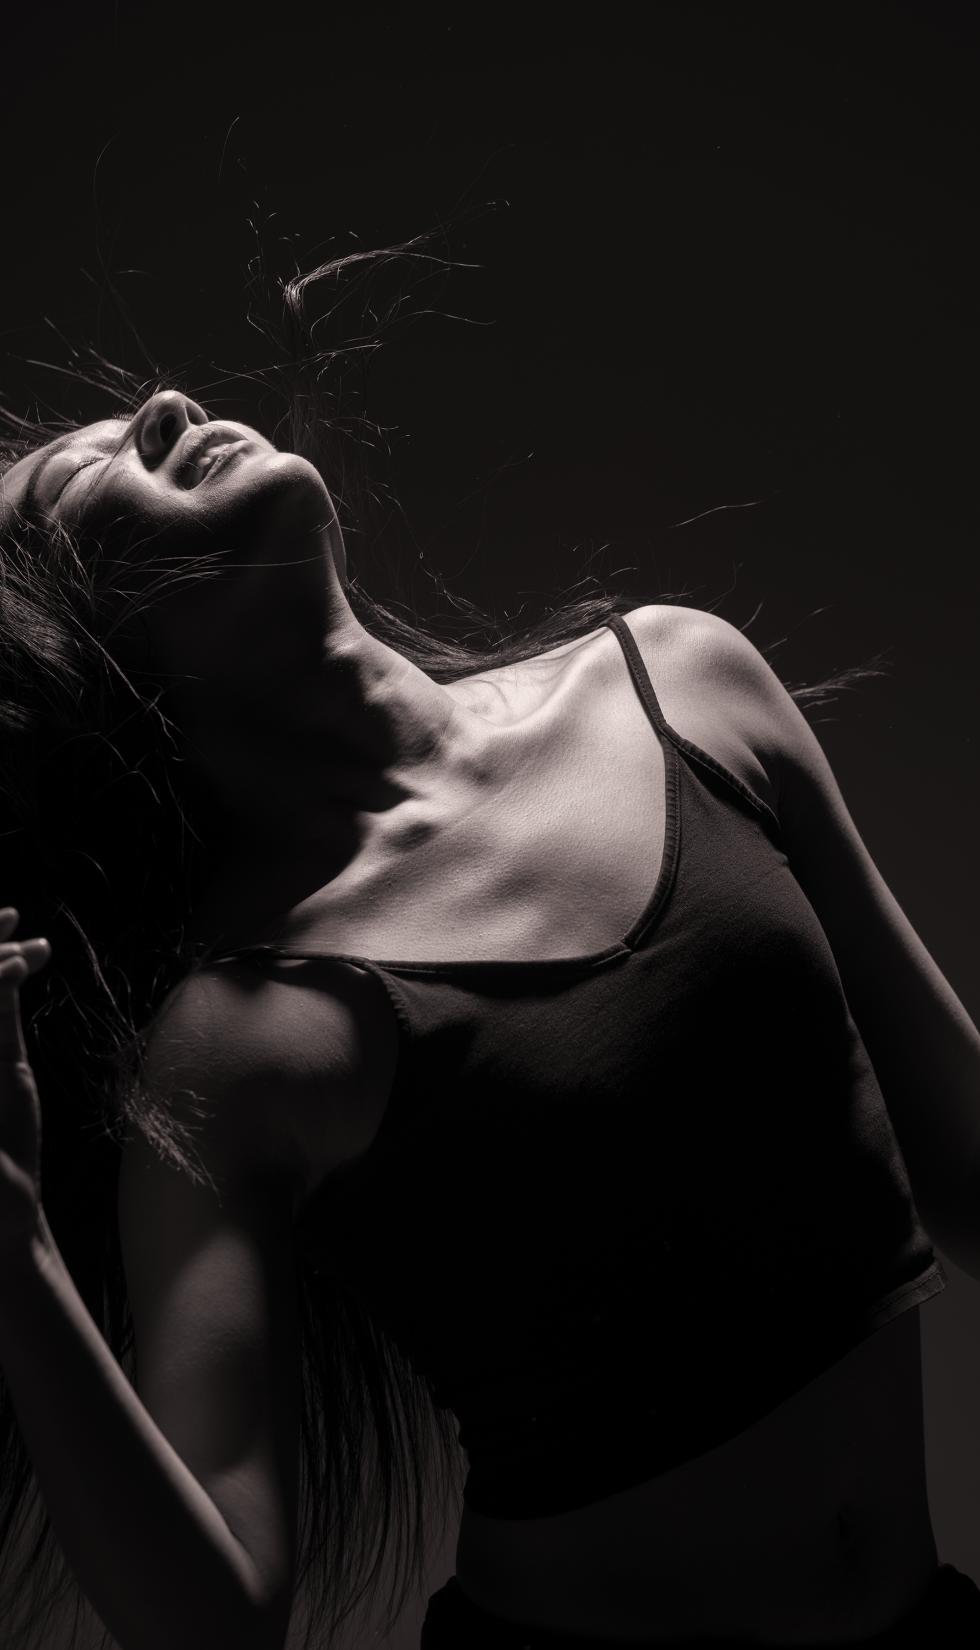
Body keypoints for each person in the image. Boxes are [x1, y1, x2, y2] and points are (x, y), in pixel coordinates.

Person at [1, 370, 979, 1650]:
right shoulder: (237, 1040)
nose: (167, 406)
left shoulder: (683, 685)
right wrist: (13, 1246)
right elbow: (217, 1620)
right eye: (83, 480)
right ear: (73, 655)